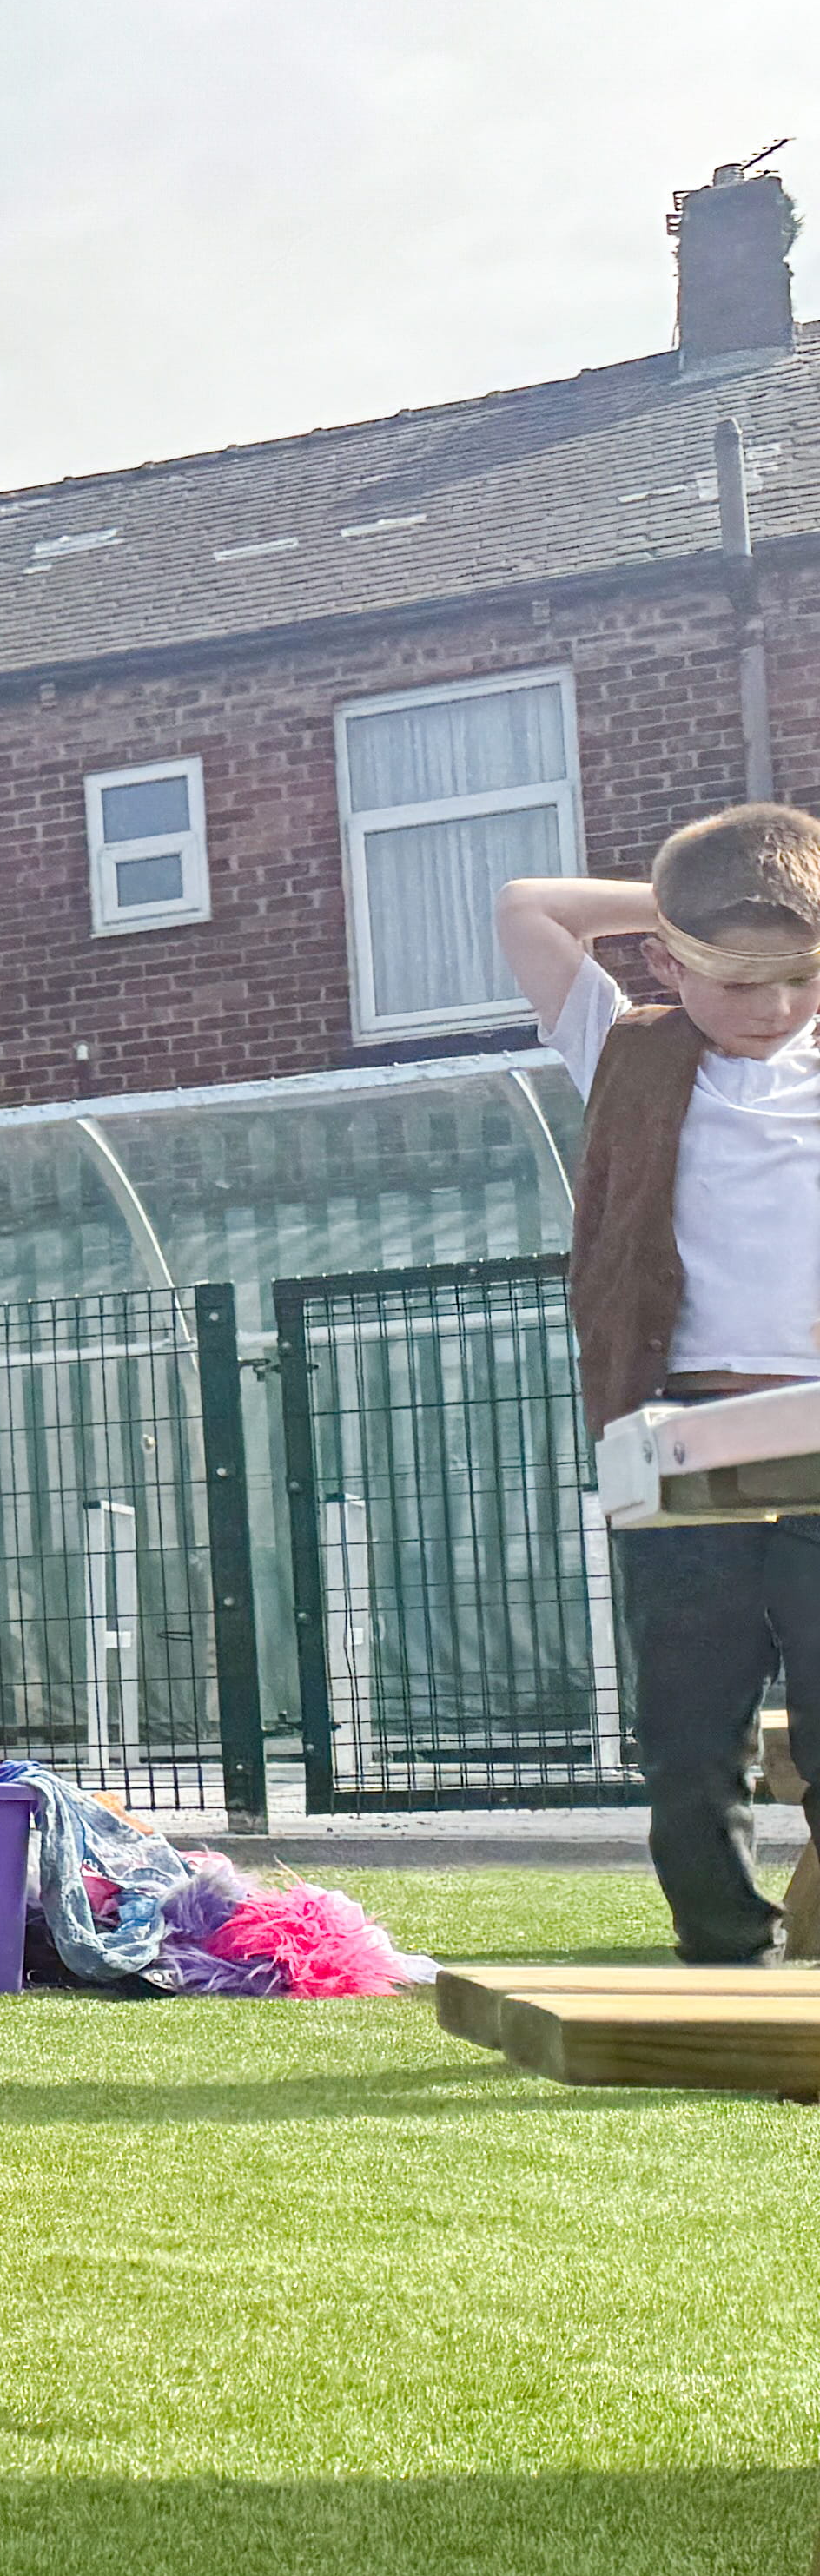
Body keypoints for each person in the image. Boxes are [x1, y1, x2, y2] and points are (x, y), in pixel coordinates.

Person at [498, 810, 820, 1962]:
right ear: (665, 963)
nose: (772, 1008)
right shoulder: (622, 1047)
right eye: (738, 982)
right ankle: (727, 1957)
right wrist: (683, 906)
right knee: (691, 1728)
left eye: (797, 978)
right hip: (682, 1433)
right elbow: (528, 906)